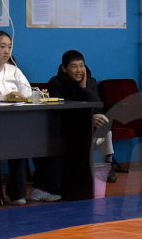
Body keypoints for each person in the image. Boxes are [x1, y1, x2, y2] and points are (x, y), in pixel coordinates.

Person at [0, 30, 58, 205]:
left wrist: (38, 95)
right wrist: (5, 97)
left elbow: (28, 93)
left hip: (17, 122)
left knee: (41, 139)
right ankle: (16, 193)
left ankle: (32, 190)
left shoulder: (13, 70)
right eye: (2, 46)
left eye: (9, 47)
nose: (7, 51)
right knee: (16, 140)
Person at [47, 50, 117, 183]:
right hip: (67, 124)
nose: (79, 70)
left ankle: (107, 165)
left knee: (103, 120)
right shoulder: (55, 83)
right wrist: (86, 120)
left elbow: (98, 107)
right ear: (64, 68)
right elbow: (59, 112)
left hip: (88, 122)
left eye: (81, 65)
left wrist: (84, 88)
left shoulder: (90, 81)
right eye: (74, 66)